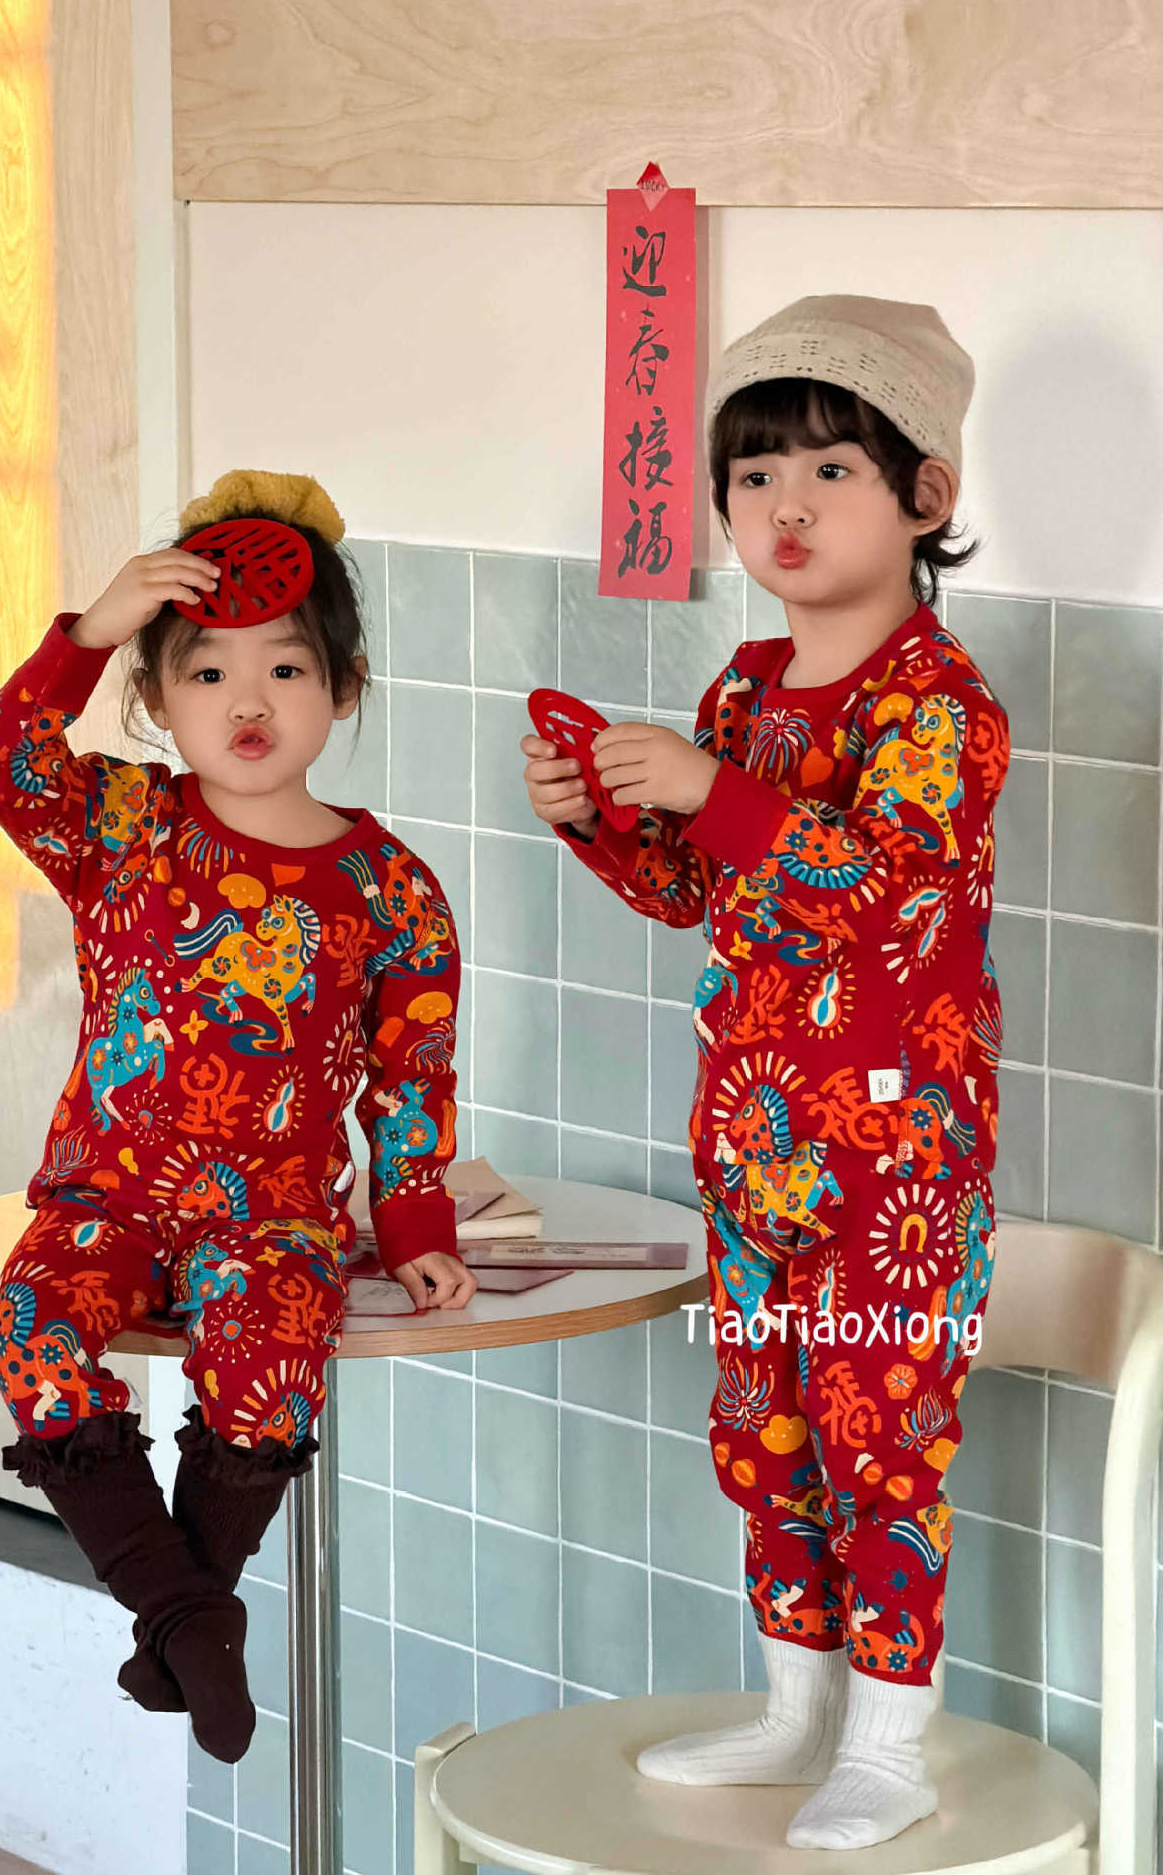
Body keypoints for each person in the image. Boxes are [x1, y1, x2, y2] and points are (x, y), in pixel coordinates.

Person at [521, 297, 1008, 1850]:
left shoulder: (943, 706)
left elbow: (885, 892)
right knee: (765, 1429)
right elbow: (698, 891)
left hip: (897, 1171)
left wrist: (708, 794)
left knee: (882, 1439)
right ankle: (799, 1710)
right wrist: (602, 815)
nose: (785, 507)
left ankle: (891, 1745)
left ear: (926, 495)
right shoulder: (741, 695)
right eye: (753, 476)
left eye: (830, 471)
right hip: (752, 1147)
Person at [0, 468, 475, 1764]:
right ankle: (193, 1617)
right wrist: (88, 629)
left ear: (345, 687)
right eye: (207, 673)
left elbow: (411, 1077)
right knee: (30, 1330)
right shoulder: (119, 823)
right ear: (154, 697)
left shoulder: (391, 887)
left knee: (276, 1352)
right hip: (107, 1196)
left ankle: (184, 1621)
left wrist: (415, 1222)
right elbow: (1, 760)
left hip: (275, 1212)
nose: (248, 703)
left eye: (287, 670)